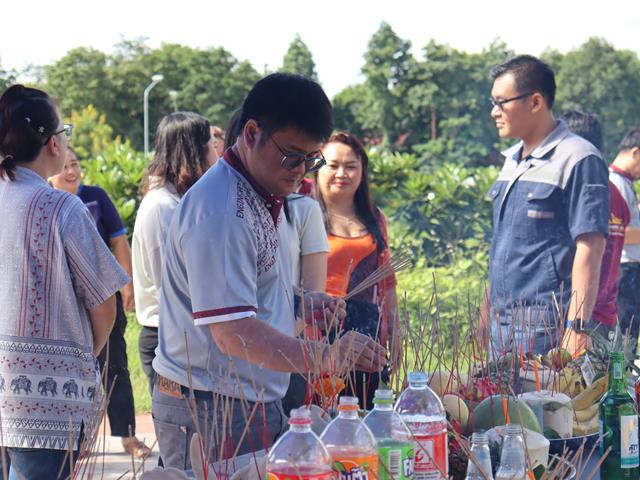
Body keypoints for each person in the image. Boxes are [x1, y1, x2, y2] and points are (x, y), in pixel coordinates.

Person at [151, 73, 386, 470]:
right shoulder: (222, 211)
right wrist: (326, 357)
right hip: (212, 406)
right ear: (252, 132)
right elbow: (232, 333)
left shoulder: (262, 193)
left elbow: (246, 293)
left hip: (248, 397)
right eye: (292, 156)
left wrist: (298, 303)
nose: (302, 171)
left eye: (311, 159)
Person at [0, 84, 128, 479]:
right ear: (52, 143)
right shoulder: (62, 207)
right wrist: (83, 357)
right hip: (46, 400)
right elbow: (105, 304)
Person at [484, 55, 609, 358]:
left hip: (546, 325)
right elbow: (500, 244)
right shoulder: (511, 161)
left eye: (502, 103)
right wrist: (484, 312)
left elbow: (590, 246)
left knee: (540, 405)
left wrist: (577, 327)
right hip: (501, 324)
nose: (494, 112)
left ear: (535, 102)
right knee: (495, 404)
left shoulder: (578, 157)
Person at [49, 147, 150, 459]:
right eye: (64, 166)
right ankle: (73, 440)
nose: (71, 171)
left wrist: (128, 284)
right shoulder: (45, 201)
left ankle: (129, 436)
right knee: (67, 372)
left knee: (114, 366)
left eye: (75, 164)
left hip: (103, 296)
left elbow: (119, 240)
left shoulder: (96, 197)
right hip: (63, 301)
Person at [132, 111, 216, 395]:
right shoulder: (162, 207)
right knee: (182, 432)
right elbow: (170, 284)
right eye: (212, 146)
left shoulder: (178, 201)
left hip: (183, 337)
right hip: (167, 339)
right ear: (196, 151)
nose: (217, 154)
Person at [314, 131, 399, 410]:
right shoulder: (306, 215)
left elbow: (387, 280)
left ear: (362, 171)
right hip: (320, 333)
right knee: (324, 413)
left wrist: (396, 332)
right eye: (333, 165)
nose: (342, 173)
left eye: (351, 166)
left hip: (367, 335)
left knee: (365, 414)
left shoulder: (374, 217)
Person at [561, 110, 630, 343]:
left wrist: (575, 323)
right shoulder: (616, 195)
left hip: (580, 316)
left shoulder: (582, 192)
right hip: (606, 312)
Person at [609, 128, 640, 356]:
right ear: (636, 153)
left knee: (630, 334)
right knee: (624, 338)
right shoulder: (615, 184)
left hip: (630, 271)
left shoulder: (624, 183)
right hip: (624, 270)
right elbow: (619, 232)